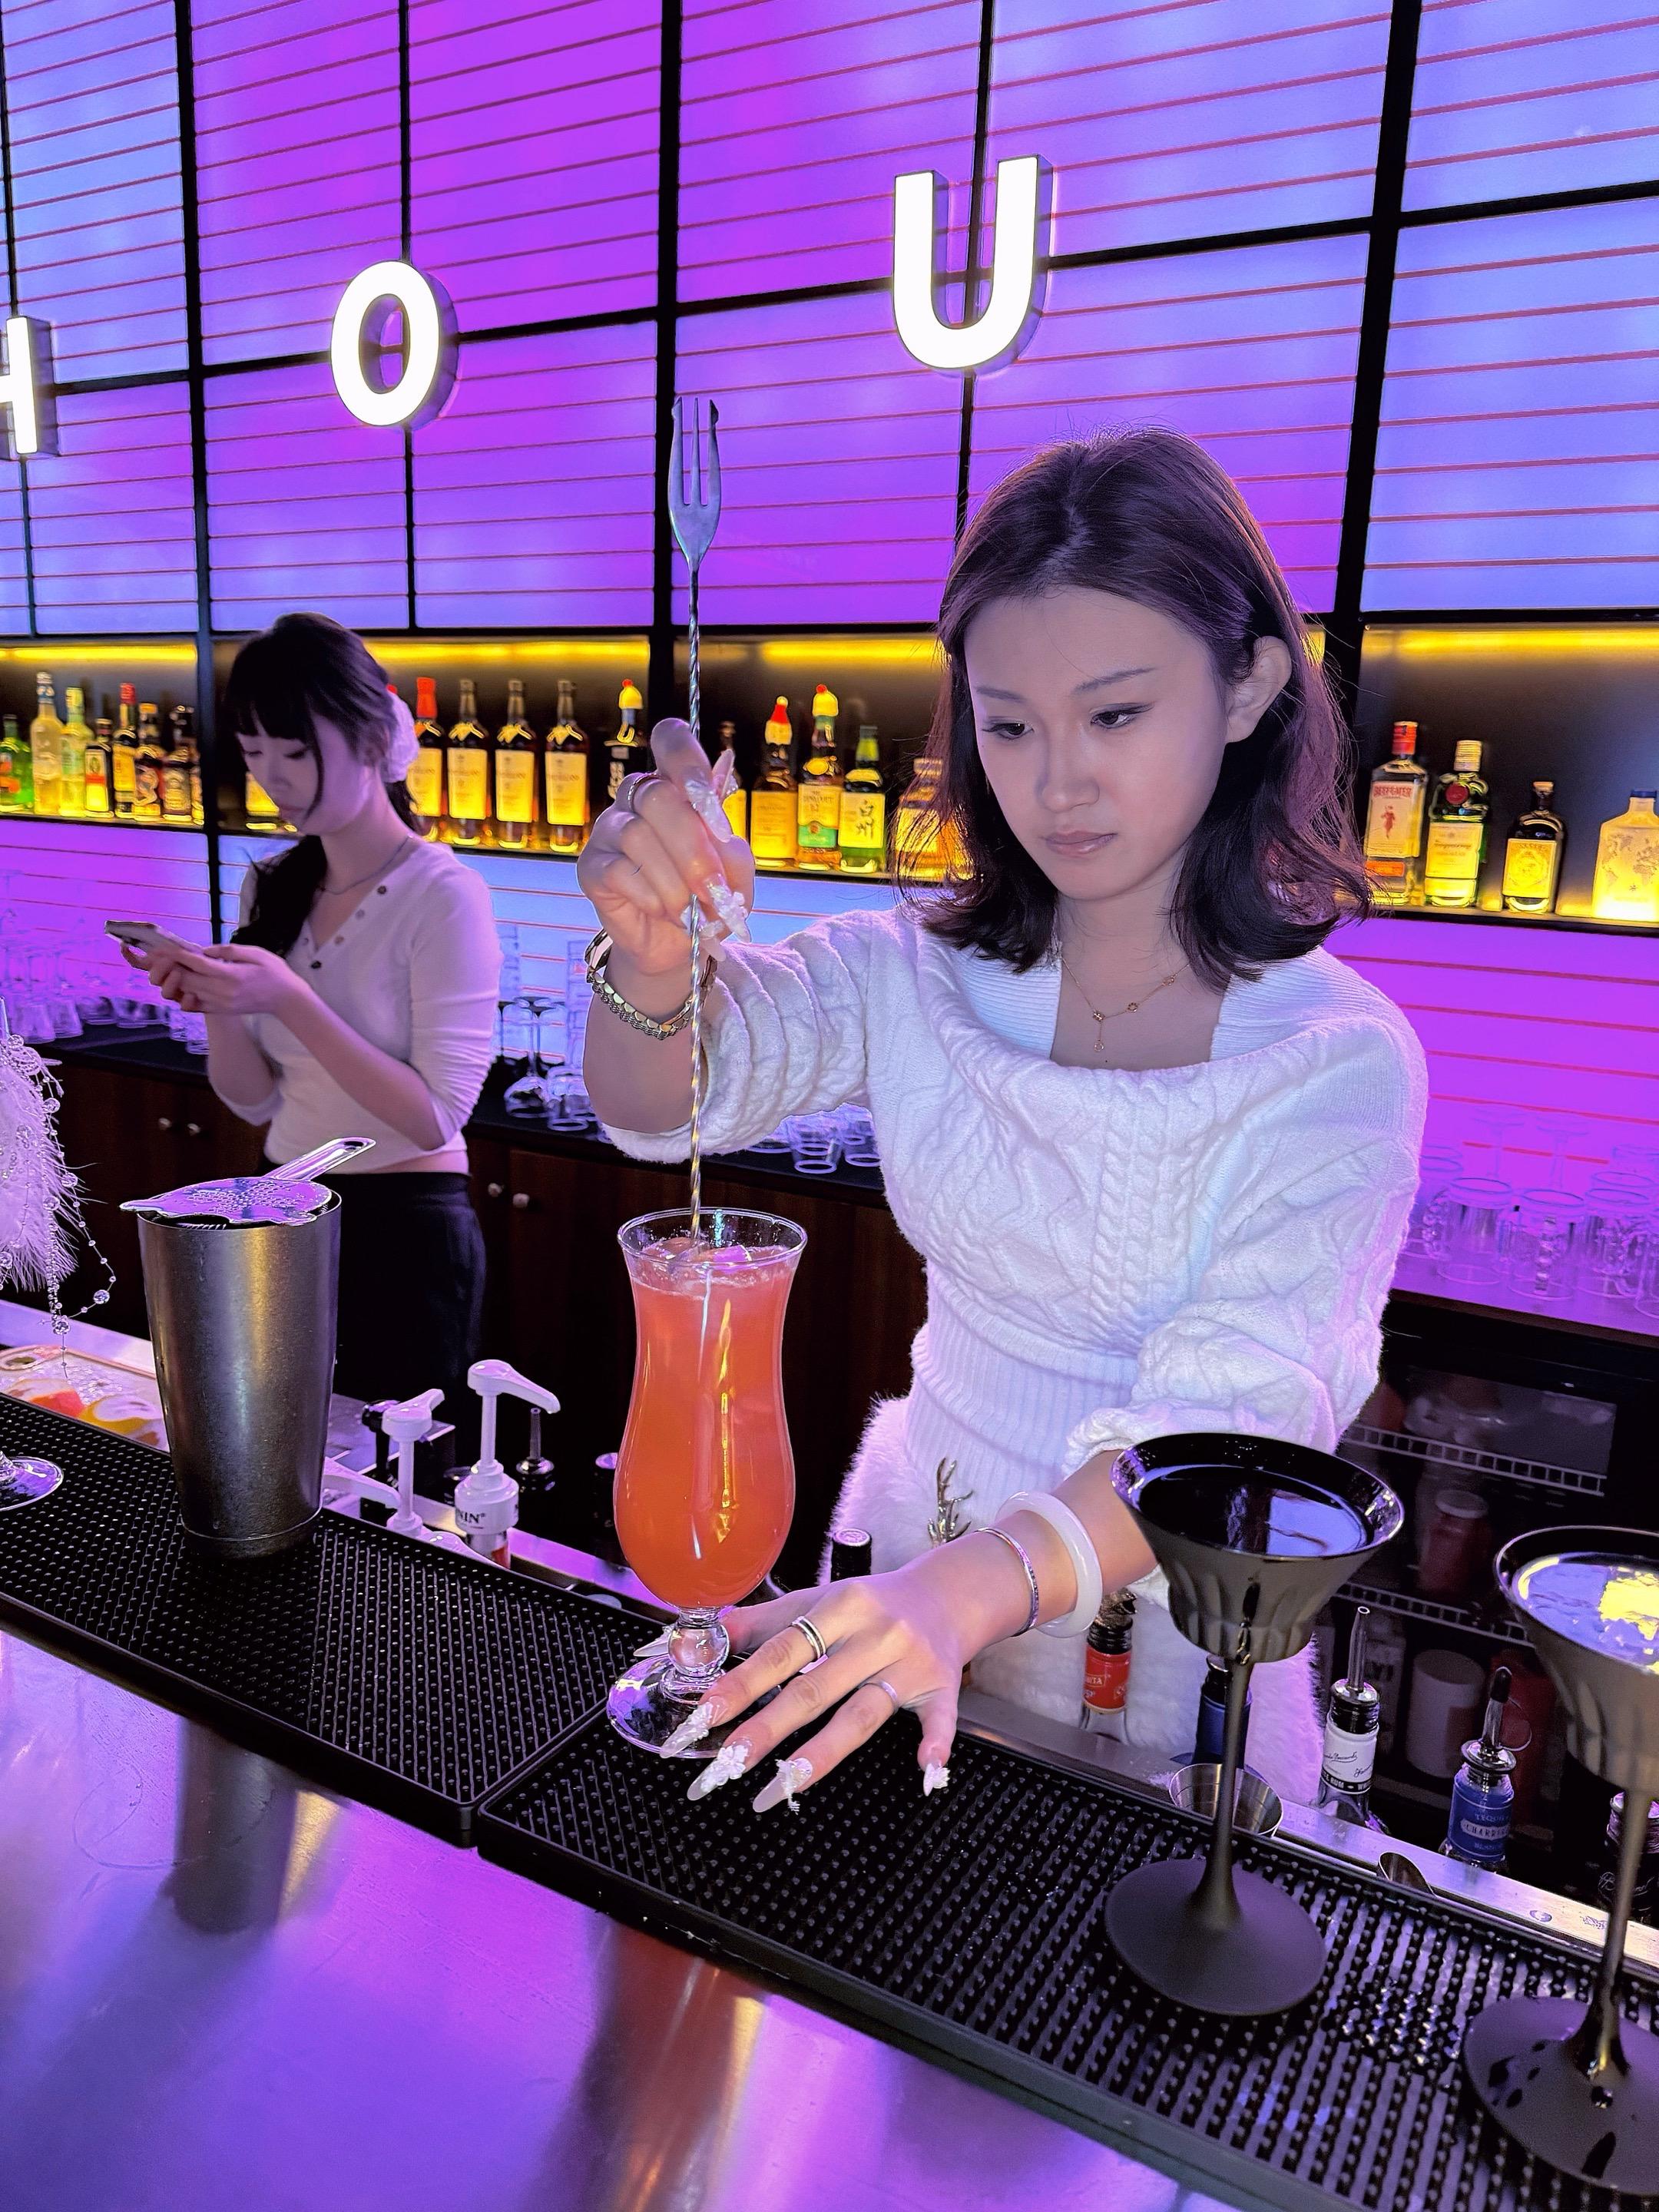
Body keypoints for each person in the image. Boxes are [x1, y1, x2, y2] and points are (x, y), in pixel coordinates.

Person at [578, 429, 1426, 1817]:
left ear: (1249, 685)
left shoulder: (1334, 1062)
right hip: (900, 1591)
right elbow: (661, 1100)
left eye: (1115, 716)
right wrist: (652, 955)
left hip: (1159, 1669)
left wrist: (964, 1591)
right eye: (1010, 724)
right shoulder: (914, 972)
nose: (1057, 783)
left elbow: (1229, 1419)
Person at [128, 613, 500, 1422]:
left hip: (406, 1226)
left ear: (374, 738)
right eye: (254, 753)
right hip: (283, 1207)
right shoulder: (272, 883)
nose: (274, 779)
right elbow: (255, 1099)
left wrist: (289, 999)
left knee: (397, 1471)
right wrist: (218, 1004)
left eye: (295, 753)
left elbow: (435, 1118)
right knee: (282, 1454)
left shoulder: (445, 894)